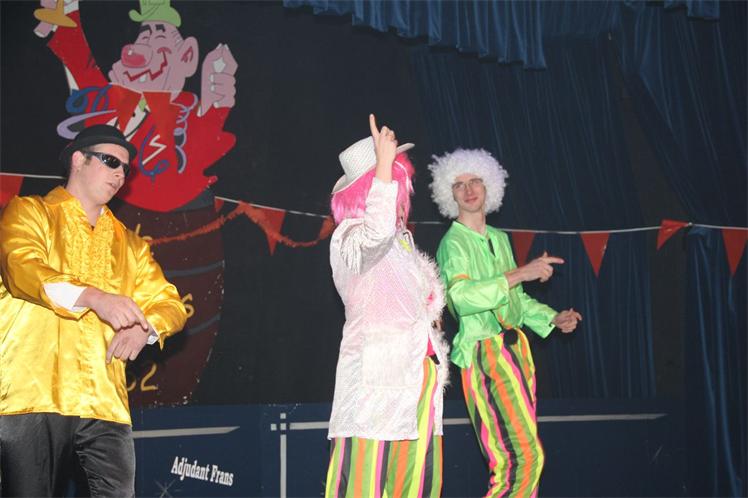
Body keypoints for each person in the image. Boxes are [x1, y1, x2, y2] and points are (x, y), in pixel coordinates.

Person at [0, 124, 188, 496]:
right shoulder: (29, 212)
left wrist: (145, 328)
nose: (120, 174)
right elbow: (22, 268)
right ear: (78, 160)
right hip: (32, 394)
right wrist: (94, 297)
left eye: (126, 169)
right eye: (110, 161)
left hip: (103, 401)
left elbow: (170, 303)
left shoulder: (130, 245)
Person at [429, 148, 582, 497]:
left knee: (526, 458)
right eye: (459, 184)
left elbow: (517, 300)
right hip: (485, 353)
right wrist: (521, 273)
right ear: (448, 194)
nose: (469, 189)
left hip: (516, 351)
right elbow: (461, 298)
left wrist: (552, 317)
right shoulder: (453, 244)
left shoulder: (498, 238)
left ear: (490, 186)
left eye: (475, 181)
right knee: (520, 459)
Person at [325, 115, 449, 497]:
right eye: (393, 180)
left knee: (415, 486)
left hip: (419, 379)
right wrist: (382, 167)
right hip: (375, 386)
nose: (399, 191)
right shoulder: (348, 236)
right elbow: (374, 234)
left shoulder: (402, 243)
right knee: (363, 484)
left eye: (399, 180)